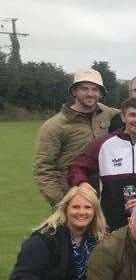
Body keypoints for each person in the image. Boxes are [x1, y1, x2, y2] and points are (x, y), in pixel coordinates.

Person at [68, 99, 136, 230]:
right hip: (110, 219)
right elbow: (77, 167)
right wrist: (82, 183)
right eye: (132, 115)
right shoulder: (104, 144)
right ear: (123, 117)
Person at [34, 68, 116, 206]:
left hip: (104, 196)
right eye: (84, 89)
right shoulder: (54, 126)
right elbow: (43, 170)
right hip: (71, 197)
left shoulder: (109, 113)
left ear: (101, 93)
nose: (90, 94)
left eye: (95, 89)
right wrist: (63, 203)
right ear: (74, 91)